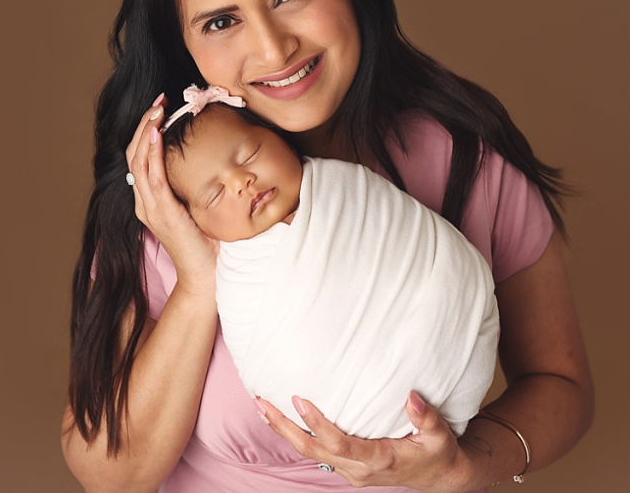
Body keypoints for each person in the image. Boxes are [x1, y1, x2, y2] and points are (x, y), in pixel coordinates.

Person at [62, 0, 593, 493]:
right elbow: (109, 476)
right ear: (186, 47)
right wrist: (200, 278)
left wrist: (465, 467)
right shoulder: (164, 201)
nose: (272, 47)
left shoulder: (462, 161)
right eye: (221, 21)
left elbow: (561, 386)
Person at [158, 88, 500, 441]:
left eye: (249, 155)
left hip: (462, 335)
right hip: (358, 413)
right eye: (215, 195)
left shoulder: (346, 188)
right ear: (200, 227)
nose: (241, 182)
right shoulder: (239, 279)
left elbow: (408, 243)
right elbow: (272, 365)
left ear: (284, 141)